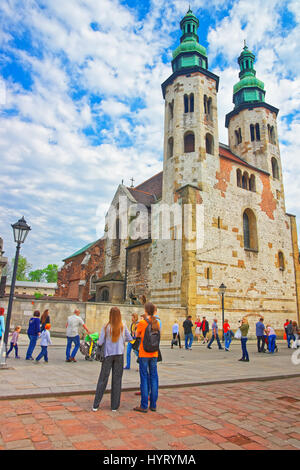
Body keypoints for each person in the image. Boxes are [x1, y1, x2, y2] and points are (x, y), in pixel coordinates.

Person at [93, 307, 132, 412]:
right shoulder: (123, 326)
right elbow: (130, 338)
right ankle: (114, 406)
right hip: (119, 355)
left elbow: (100, 342)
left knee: (103, 379)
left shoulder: (106, 327)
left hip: (108, 355)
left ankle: (96, 405)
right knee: (117, 380)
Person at [134, 302, 160, 413]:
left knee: (144, 378)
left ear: (146, 311)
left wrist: (136, 328)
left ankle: (144, 405)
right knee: (154, 378)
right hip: (154, 353)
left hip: (144, 353)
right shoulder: (156, 323)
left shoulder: (143, 323)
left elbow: (136, 335)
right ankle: (153, 404)